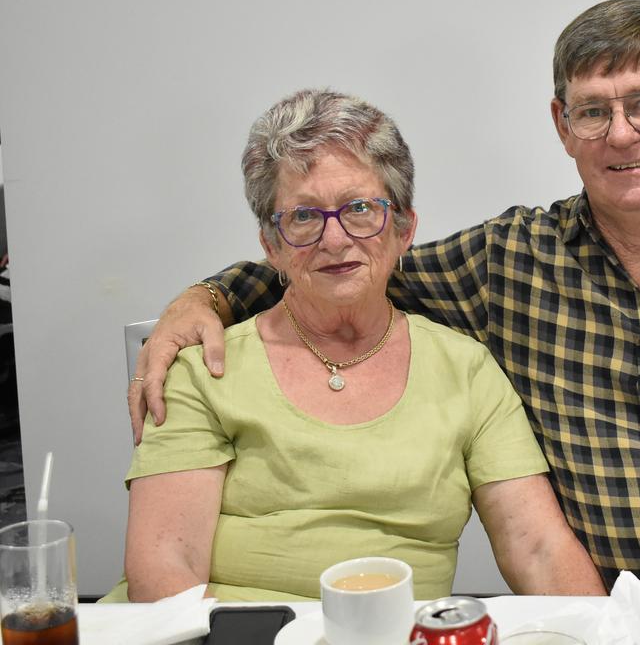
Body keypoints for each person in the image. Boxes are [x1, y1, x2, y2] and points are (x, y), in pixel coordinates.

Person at [130, 0, 640, 597]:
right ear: (561, 127)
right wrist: (208, 296)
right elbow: (349, 254)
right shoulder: (509, 262)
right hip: (608, 612)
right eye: (592, 111)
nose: (621, 133)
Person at [108, 89, 605, 602]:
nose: (334, 238)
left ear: (405, 228)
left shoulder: (467, 369)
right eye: (303, 216)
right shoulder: (204, 368)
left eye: (361, 208)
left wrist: (604, 635)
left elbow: (538, 547)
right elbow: (165, 569)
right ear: (270, 246)